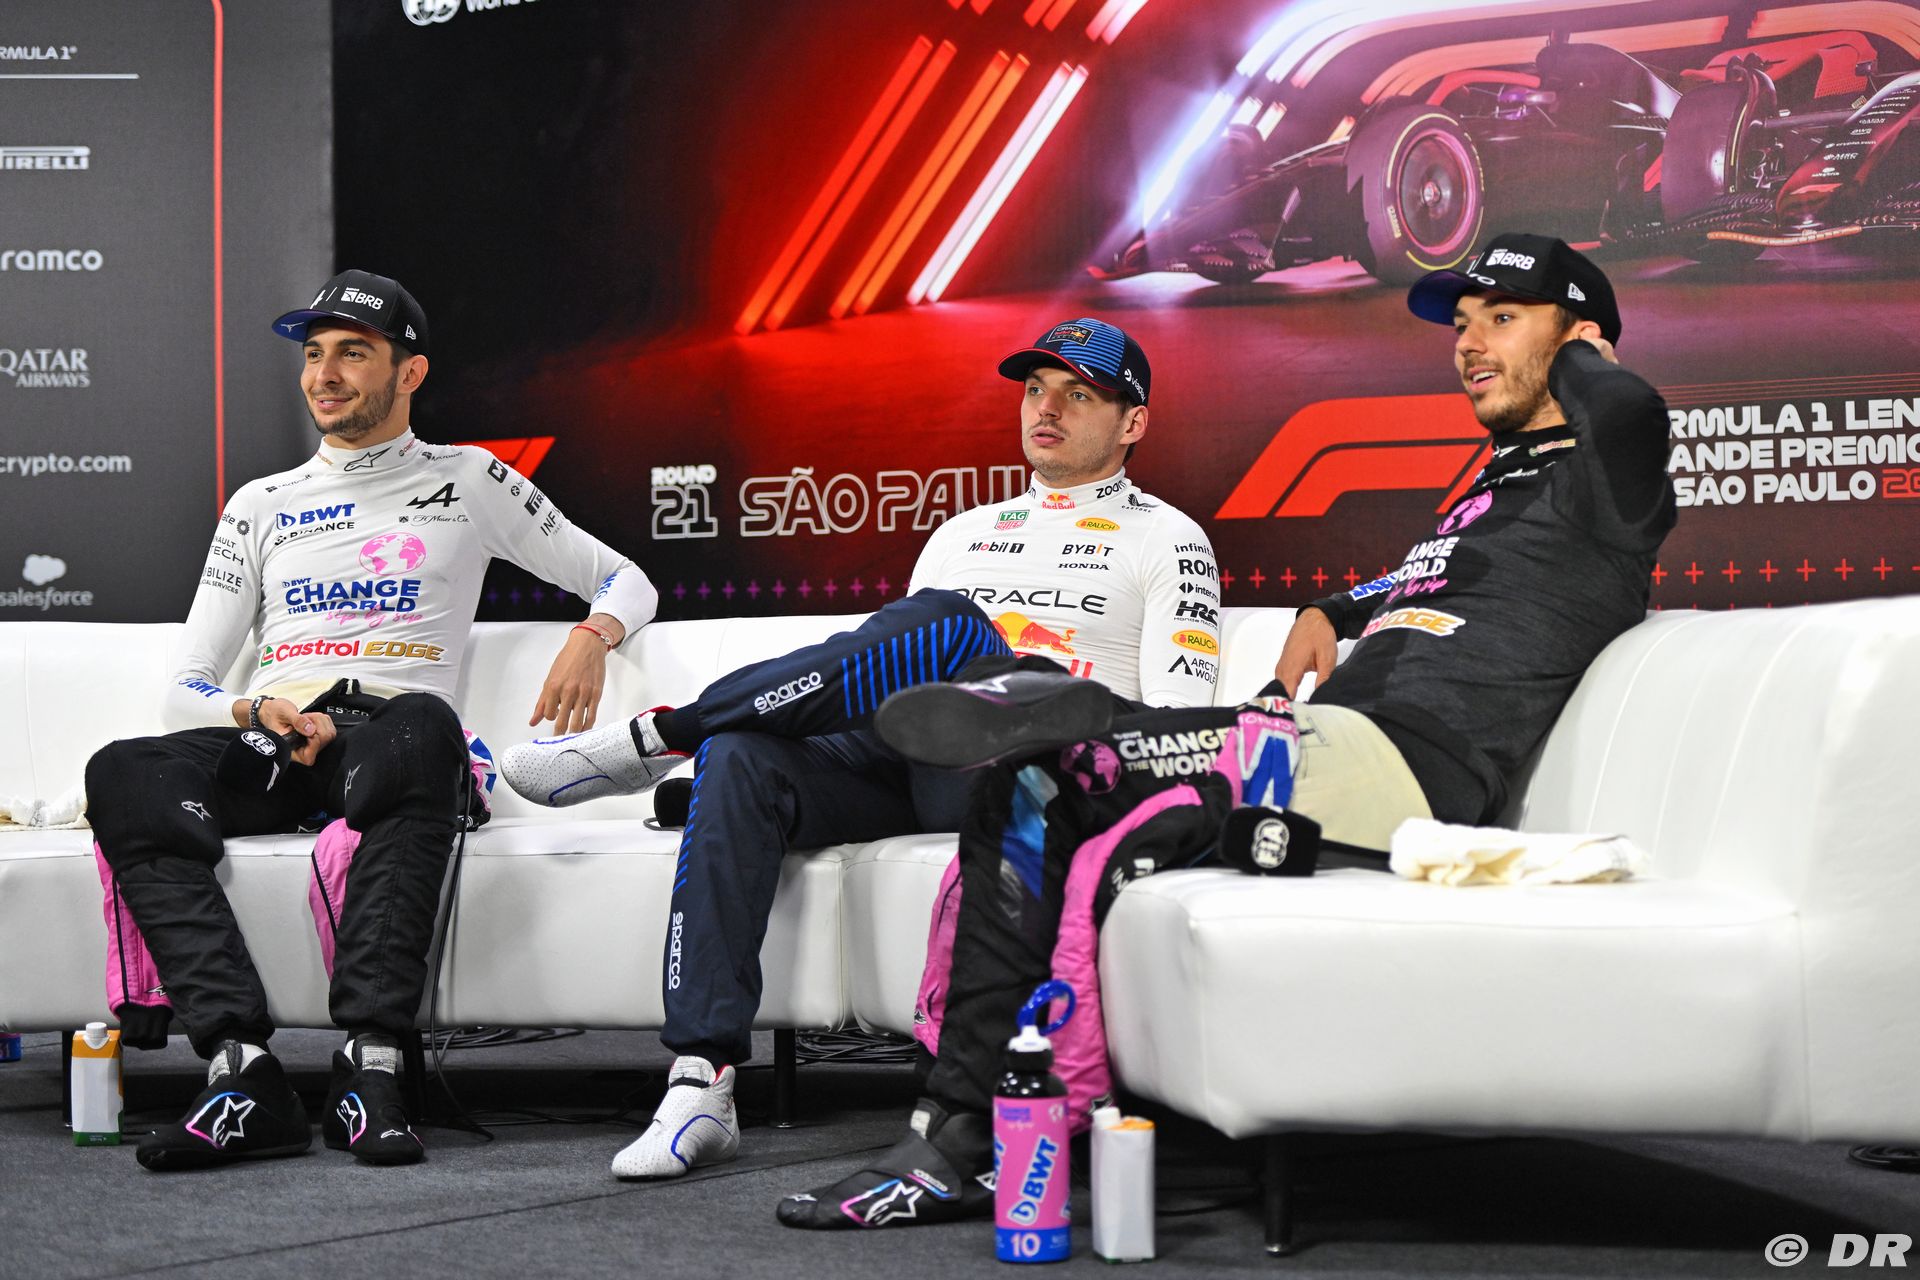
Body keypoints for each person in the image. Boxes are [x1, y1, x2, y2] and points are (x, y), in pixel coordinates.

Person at [776, 233, 1676, 1228]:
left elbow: (1632, 411)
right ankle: (1080, 721)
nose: (1469, 345)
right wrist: (1336, 605)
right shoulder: (1507, 476)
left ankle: (959, 1143)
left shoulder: (1611, 473)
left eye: (1501, 320)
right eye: (1464, 325)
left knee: (1034, 782)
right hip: (1326, 739)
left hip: (1402, 767)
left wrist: (1580, 355)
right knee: (1039, 775)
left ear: (1581, 340)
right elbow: (1449, 570)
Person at [499, 318, 1223, 1178]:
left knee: (947, 622)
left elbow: (1175, 722)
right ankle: (702, 1078)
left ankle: (656, 738)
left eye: (1078, 394)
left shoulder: (1169, 539)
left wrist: (1021, 679)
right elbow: (886, 672)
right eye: (1035, 389)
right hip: (918, 757)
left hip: (1036, 768)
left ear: (1133, 422)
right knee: (741, 756)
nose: (1046, 409)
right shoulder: (962, 534)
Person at [87, 270, 658, 1170]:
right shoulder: (261, 504)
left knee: (425, 724)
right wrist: (255, 708)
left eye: (353, 353)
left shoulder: (469, 478)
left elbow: (627, 578)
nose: (325, 375)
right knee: (125, 772)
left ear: (410, 373)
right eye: (314, 355)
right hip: (276, 739)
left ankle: (373, 1065)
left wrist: (593, 634)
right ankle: (241, 1071)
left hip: (390, 743)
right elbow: (185, 686)